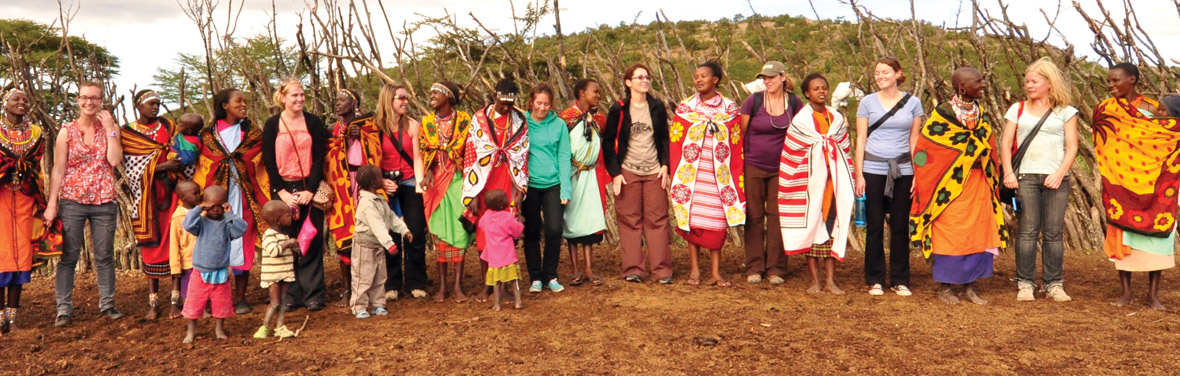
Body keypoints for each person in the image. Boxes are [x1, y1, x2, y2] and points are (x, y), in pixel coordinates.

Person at [910, 67, 1007, 305]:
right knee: (950, 232)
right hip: (948, 186)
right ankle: (945, 286)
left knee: (977, 232)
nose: (983, 84)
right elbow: (926, 151)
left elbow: (988, 145)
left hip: (977, 183)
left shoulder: (980, 113)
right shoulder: (943, 115)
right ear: (963, 87)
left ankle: (969, 286)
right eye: (978, 81)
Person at [1094, 63, 1179, 310]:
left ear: (1132, 79)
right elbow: (1104, 140)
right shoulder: (1105, 109)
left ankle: (1153, 295)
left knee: (1157, 242)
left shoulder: (1154, 108)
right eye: (1108, 81)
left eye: (1115, 81)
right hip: (1120, 183)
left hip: (1157, 184)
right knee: (1124, 237)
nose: (1110, 85)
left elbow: (1170, 136)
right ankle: (1126, 293)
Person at [999, 57, 1079, 302]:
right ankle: (1025, 284)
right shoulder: (1017, 109)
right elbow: (1004, 143)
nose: (1029, 86)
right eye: (1027, 81)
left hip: (1056, 179)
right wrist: (1008, 173)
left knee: (1054, 232)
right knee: (1027, 230)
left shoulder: (1066, 111)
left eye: (1034, 81)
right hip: (1024, 178)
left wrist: (1059, 173)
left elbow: (1072, 146)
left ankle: (1054, 284)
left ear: (1049, 83)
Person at [45, 80, 124, 327]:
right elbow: (58, 169)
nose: (89, 102)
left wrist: (110, 128)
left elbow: (114, 161)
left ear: (101, 101)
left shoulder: (110, 128)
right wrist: (52, 204)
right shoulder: (66, 131)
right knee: (68, 256)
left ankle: (108, 305)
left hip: (104, 200)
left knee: (104, 255)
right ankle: (64, 309)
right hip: (72, 200)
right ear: (78, 100)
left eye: (94, 98)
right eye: (84, 97)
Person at [193, 87, 270, 315]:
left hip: (245, 195)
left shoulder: (253, 133)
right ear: (224, 105)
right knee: (213, 245)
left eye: (245, 101)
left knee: (243, 241)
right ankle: (209, 298)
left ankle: (241, 298)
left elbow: (258, 157)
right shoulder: (208, 136)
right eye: (239, 101)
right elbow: (204, 163)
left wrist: (238, 161)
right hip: (217, 197)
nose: (244, 104)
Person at [669, 61, 745, 287]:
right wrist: (702, 125)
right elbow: (677, 135)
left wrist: (713, 125)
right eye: (696, 76)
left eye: (704, 76)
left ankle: (715, 272)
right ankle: (694, 271)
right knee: (692, 221)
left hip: (718, 175)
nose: (698, 79)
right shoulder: (685, 107)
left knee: (716, 223)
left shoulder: (729, 109)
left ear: (715, 80)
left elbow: (735, 138)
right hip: (691, 173)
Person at [855, 57, 924, 296]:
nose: (881, 76)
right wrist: (859, 175)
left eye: (885, 72)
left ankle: (900, 279)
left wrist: (917, 173)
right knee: (874, 225)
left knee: (899, 226)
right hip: (873, 169)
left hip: (903, 169)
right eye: (877, 73)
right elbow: (861, 139)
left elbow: (914, 139)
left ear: (897, 73)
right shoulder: (867, 102)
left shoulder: (913, 103)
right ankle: (875, 279)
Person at [780, 73, 854, 295]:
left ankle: (831, 281)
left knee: (831, 229)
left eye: (824, 87)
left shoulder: (837, 119)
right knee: (811, 229)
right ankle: (815, 281)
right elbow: (793, 151)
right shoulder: (800, 121)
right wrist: (820, 150)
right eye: (815, 89)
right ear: (806, 94)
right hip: (808, 184)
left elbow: (843, 148)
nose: (821, 91)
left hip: (833, 183)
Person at [262, 79, 329, 312]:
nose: (299, 99)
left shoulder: (313, 122)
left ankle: (314, 294)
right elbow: (268, 160)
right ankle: (290, 294)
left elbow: (320, 157)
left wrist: (310, 190)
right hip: (282, 190)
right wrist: (280, 191)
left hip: (308, 188)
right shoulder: (272, 124)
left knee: (310, 239)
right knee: (286, 241)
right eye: (294, 96)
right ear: (282, 98)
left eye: (302, 95)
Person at [604, 63, 672, 284]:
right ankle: (633, 269)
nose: (645, 80)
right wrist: (615, 173)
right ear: (628, 82)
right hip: (628, 171)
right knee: (629, 221)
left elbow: (663, 137)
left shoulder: (657, 107)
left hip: (654, 171)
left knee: (658, 220)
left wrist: (665, 165)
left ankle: (662, 271)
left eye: (647, 77)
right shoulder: (619, 109)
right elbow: (608, 143)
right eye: (640, 77)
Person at [462, 77, 530, 299]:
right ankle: (488, 285)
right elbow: (471, 154)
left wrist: (520, 190)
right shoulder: (479, 119)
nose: (506, 107)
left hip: (508, 181)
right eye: (503, 103)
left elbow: (522, 157)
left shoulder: (519, 121)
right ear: (494, 96)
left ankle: (507, 285)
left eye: (510, 104)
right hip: (484, 181)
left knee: (507, 232)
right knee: (484, 235)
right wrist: (471, 192)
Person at [120, 89, 183, 320]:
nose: (155, 107)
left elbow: (181, 152)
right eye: (151, 104)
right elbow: (129, 169)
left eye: (158, 103)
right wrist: (162, 167)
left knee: (176, 244)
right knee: (151, 249)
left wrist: (172, 166)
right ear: (139, 106)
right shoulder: (128, 133)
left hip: (173, 195)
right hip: (146, 200)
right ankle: (153, 305)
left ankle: (176, 302)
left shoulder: (168, 127)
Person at [740, 61, 804, 285]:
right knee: (754, 216)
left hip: (783, 168)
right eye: (764, 78)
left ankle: (776, 268)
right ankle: (755, 267)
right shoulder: (753, 101)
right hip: (753, 165)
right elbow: (741, 132)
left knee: (778, 217)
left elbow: (804, 132)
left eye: (771, 77)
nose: (767, 81)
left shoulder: (794, 103)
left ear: (783, 77)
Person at [0, 88, 57, 332]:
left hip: (24, 198)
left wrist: (42, 201)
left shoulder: (34, 133)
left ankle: (12, 320)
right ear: (5, 103)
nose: (21, 102)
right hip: (1, 199)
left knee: (20, 257)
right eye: (16, 99)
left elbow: (38, 170)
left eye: (25, 99)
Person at [419, 81, 473, 302]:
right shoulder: (427, 122)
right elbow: (424, 149)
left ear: (448, 97)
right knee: (439, 234)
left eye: (436, 92)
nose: (431, 96)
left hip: (458, 181)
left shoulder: (464, 121)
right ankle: (442, 286)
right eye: (430, 92)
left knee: (459, 234)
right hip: (434, 185)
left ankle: (458, 286)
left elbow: (470, 151)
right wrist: (428, 170)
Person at [324, 88, 379, 306]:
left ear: (354, 103)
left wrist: (363, 138)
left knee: (368, 234)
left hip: (364, 184)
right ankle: (348, 289)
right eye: (335, 100)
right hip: (340, 187)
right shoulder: (331, 129)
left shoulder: (368, 125)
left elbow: (377, 152)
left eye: (342, 100)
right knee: (343, 238)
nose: (337, 104)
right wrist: (341, 144)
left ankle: (371, 287)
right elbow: (326, 157)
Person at [376, 85, 429, 300]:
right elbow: (371, 159)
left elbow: (417, 157)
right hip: (385, 185)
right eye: (401, 98)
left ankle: (417, 282)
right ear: (389, 100)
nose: (405, 101)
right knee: (390, 234)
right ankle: (392, 284)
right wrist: (380, 182)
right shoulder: (376, 127)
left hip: (409, 182)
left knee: (415, 231)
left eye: (406, 98)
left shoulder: (412, 125)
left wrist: (419, 185)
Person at [558, 79, 610, 287]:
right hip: (572, 173)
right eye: (595, 91)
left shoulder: (599, 119)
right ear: (582, 93)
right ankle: (574, 270)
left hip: (591, 174)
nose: (598, 95)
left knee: (589, 221)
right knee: (571, 221)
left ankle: (588, 269)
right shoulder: (565, 118)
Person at [181, 185, 248, 344]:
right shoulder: (201, 222)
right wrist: (198, 209)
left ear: (225, 205)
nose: (215, 210)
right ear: (204, 205)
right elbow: (188, 224)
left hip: (221, 271)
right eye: (211, 206)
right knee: (194, 303)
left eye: (219, 206)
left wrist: (230, 214)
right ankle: (191, 331)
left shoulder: (226, 224)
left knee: (221, 303)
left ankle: (219, 329)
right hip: (200, 272)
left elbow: (241, 229)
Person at [522, 83, 569, 293]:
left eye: (547, 104)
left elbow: (564, 156)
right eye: (539, 103)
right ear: (531, 101)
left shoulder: (559, 125)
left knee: (554, 229)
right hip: (528, 185)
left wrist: (565, 189)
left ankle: (551, 274)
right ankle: (535, 277)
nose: (542, 108)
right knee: (531, 230)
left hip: (553, 184)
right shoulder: (521, 122)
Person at [351, 165, 410, 318]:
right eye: (379, 177)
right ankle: (359, 306)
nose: (382, 179)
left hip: (377, 245)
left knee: (379, 276)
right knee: (363, 276)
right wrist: (390, 244)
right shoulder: (367, 204)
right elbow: (377, 226)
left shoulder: (379, 198)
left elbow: (390, 217)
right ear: (373, 183)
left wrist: (404, 230)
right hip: (365, 245)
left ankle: (378, 304)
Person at [254, 200, 297, 338]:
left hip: (284, 272)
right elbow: (274, 250)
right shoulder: (268, 235)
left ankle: (280, 326)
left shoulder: (282, 235)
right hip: (273, 275)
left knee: (283, 301)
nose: (291, 218)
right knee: (275, 302)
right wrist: (288, 243)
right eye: (287, 216)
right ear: (277, 220)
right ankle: (264, 327)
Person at [478, 189, 524, 311]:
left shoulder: (486, 216)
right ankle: (518, 302)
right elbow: (516, 232)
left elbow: (481, 225)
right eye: (505, 198)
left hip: (494, 258)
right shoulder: (507, 217)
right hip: (508, 256)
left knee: (496, 282)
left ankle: (497, 304)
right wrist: (520, 222)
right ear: (501, 204)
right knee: (514, 281)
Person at [167, 181, 202, 319]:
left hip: (201, 259)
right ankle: (185, 308)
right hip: (187, 262)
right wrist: (175, 267)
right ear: (183, 197)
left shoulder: (202, 213)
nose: (199, 196)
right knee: (189, 290)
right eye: (195, 193)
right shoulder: (177, 218)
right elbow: (174, 245)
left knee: (201, 287)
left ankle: (200, 308)